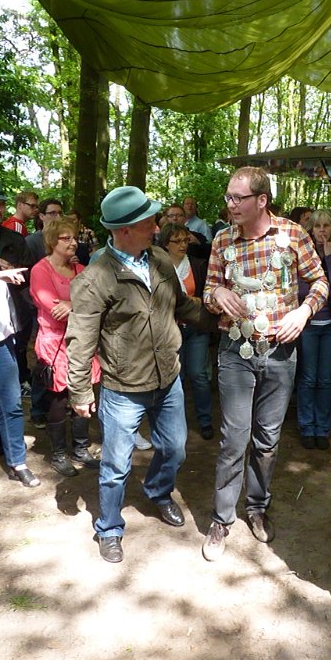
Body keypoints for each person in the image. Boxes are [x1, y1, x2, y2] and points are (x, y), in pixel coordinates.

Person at [66, 186, 217, 563]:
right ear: (125, 230)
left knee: (175, 448)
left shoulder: (160, 259)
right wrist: (80, 392)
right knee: (116, 465)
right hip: (123, 387)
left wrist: (218, 319)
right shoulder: (95, 277)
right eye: (149, 221)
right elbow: (80, 340)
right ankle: (109, 528)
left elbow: (182, 306)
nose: (157, 226)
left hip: (168, 378)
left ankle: (158, 491)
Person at [201, 166, 328, 561]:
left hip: (280, 352)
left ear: (261, 200)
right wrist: (217, 294)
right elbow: (207, 290)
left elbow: (321, 282)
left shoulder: (293, 234)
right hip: (235, 351)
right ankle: (222, 519)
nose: (230, 204)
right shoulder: (222, 239)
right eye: (228, 197)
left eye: (237, 198)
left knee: (267, 439)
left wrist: (303, 313)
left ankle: (256, 507)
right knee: (233, 438)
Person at [0, 179, 41, 496]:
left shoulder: (14, 239)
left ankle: (18, 462)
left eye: (1, 203)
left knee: (12, 404)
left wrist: (13, 273)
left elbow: (29, 276)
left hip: (6, 333)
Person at [29, 217, 101, 477]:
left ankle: (81, 448)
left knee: (83, 392)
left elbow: (97, 303)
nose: (73, 243)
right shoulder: (41, 270)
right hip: (55, 343)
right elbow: (53, 308)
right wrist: (78, 306)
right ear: (52, 241)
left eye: (74, 238)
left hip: (83, 341)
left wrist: (72, 305)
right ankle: (59, 453)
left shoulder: (82, 269)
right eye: (66, 238)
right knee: (58, 400)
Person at [297, 209, 331, 449]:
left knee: (325, 378)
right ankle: (307, 427)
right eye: (317, 226)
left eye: (326, 226)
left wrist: (329, 257)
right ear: (311, 229)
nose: (321, 231)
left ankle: (323, 429)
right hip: (308, 324)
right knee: (308, 377)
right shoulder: (302, 253)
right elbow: (300, 290)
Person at [158, 222, 214, 440]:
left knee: (199, 374)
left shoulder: (198, 265)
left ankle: (205, 420)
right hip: (170, 329)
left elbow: (207, 295)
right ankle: (176, 423)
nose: (183, 245)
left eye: (185, 240)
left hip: (195, 327)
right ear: (166, 244)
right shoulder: (158, 267)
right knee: (176, 377)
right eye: (177, 241)